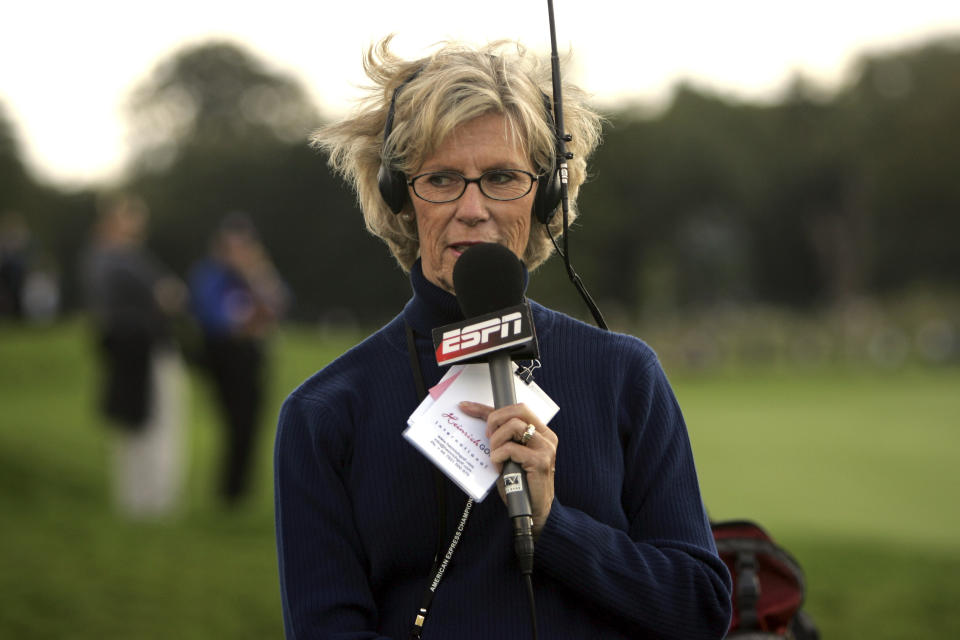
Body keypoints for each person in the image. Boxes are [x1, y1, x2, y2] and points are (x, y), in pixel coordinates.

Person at [274, 38, 732, 639]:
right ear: (398, 195)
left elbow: (700, 611)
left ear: (544, 196)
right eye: (441, 179)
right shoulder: (326, 413)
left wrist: (554, 525)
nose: (473, 207)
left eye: (501, 177)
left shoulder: (624, 375)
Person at [81, 192, 187, 518]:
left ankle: (137, 504)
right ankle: (154, 504)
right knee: (153, 424)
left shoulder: (96, 258)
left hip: (123, 350)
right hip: (144, 350)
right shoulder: (121, 258)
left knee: (132, 427)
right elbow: (170, 295)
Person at [189, 213, 289, 505]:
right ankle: (229, 493)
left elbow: (279, 304)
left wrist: (256, 275)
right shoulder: (211, 274)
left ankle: (239, 493)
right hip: (224, 357)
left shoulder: (255, 274)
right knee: (235, 424)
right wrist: (247, 324)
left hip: (251, 356)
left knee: (251, 424)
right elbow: (213, 317)